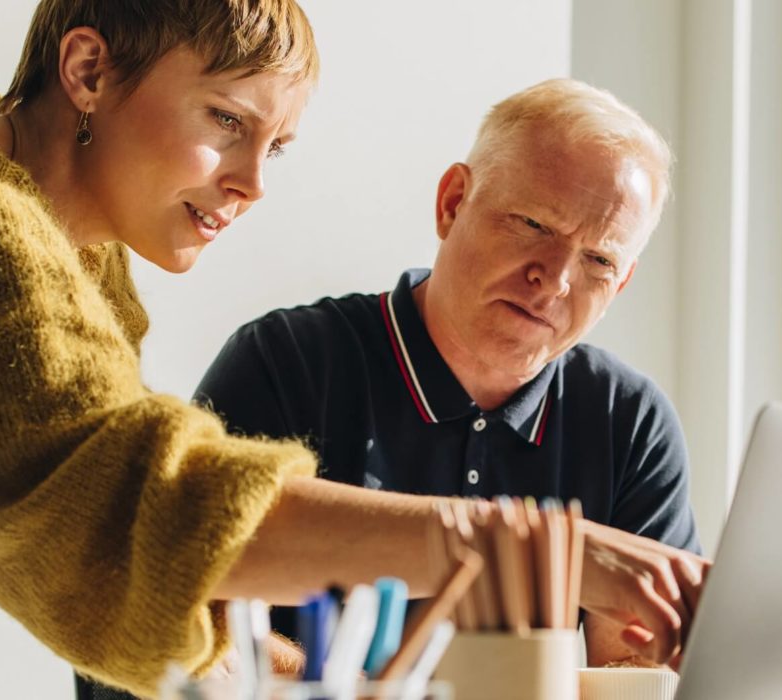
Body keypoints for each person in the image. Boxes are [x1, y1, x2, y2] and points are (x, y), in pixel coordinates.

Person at [0, 2, 705, 698]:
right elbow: (139, 510)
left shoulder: (58, 247)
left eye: (274, 146)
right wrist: (520, 546)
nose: (251, 182)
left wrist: (287, 674)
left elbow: (98, 562)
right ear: (91, 69)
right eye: (226, 121)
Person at [197, 78, 698, 667]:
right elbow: (180, 607)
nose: (556, 279)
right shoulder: (288, 362)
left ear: (622, 282)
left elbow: (636, 671)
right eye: (535, 224)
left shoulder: (630, 422)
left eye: (598, 260)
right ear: (452, 202)